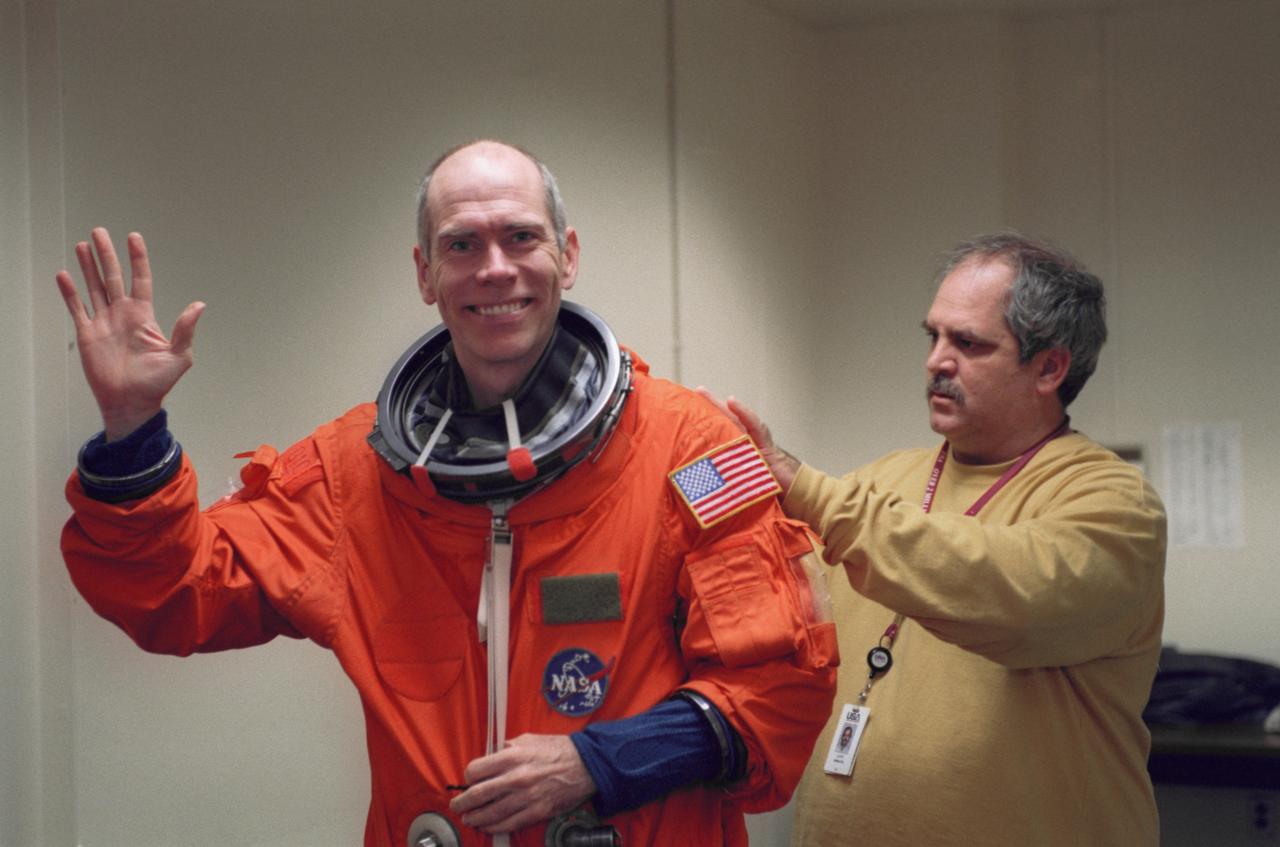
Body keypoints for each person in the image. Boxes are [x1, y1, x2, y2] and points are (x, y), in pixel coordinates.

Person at [55, 140, 838, 846]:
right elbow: (176, 589)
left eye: (520, 237)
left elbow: (779, 685)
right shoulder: (352, 471)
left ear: (566, 255)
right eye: (461, 244)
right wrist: (133, 428)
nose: (494, 268)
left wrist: (597, 762)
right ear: (425, 272)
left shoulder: (689, 448)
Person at [707, 233, 1166, 846]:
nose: (936, 361)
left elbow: (1006, 594)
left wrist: (808, 490)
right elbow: (762, 599)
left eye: (968, 344)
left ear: (1049, 368)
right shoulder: (881, 482)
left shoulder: (1112, 503)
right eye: (934, 336)